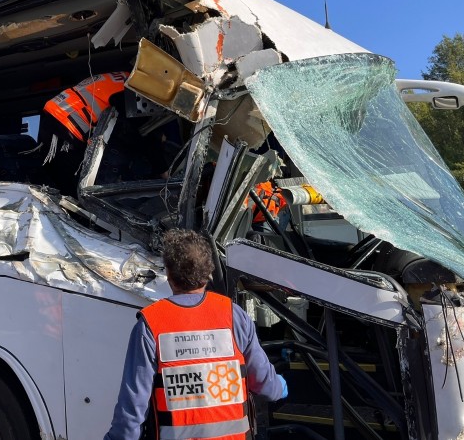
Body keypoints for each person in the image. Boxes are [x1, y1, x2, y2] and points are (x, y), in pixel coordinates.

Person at [105, 229, 287, 440]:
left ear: (169, 276)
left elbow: (132, 411)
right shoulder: (234, 316)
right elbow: (267, 386)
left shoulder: (151, 326)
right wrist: (281, 386)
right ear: (208, 274)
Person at [37, 71, 168, 196]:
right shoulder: (131, 92)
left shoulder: (123, 79)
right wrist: (164, 172)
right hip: (64, 128)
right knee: (72, 187)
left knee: (61, 179)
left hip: (56, 119)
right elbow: (142, 136)